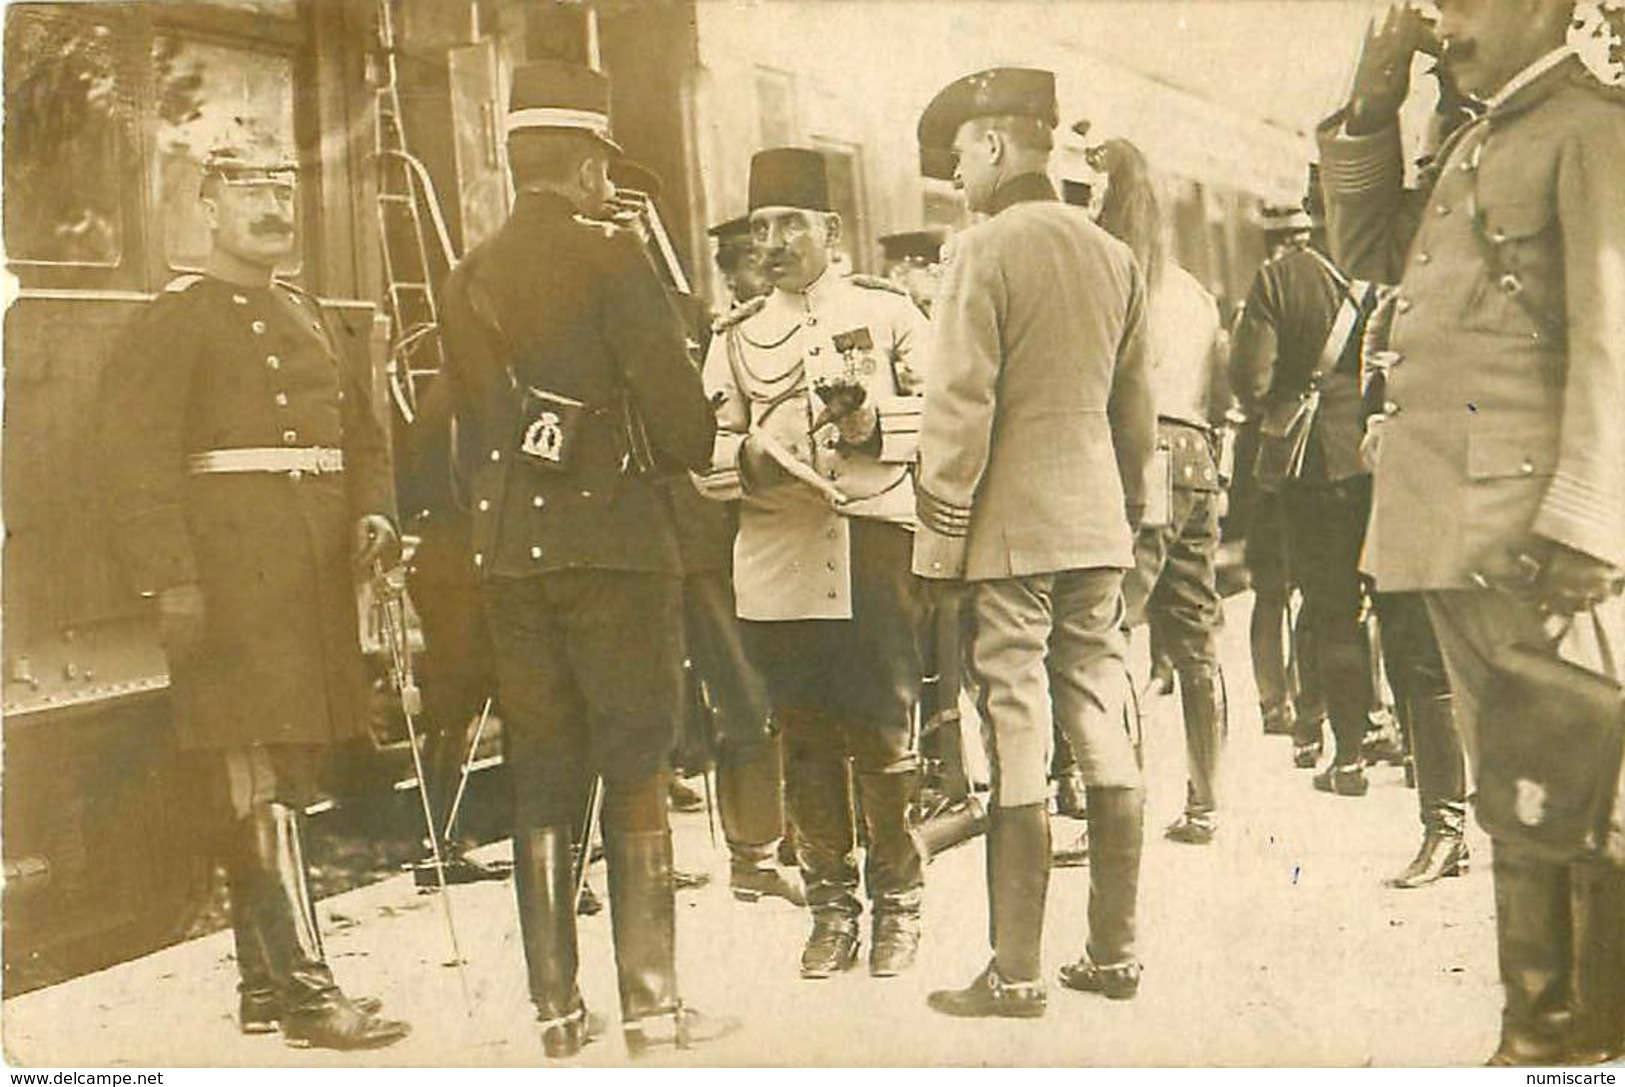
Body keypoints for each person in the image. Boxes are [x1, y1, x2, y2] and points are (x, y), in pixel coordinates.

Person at [1319, 0, 1625, 1063]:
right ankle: (1541, 1034)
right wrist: (1370, 101)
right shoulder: (1470, 135)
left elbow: (1609, 334)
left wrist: (1591, 521)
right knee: (1518, 791)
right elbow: (1363, 251)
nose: (1440, 17)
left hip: (1535, 530)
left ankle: (1575, 1039)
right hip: (1452, 519)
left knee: (1577, 788)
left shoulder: (1592, 128)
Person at [438, 59, 735, 1059]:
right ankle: (651, 1010)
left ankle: (556, 1014)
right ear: (584, 166)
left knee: (544, 772)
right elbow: (687, 433)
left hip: (512, 559)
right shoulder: (616, 260)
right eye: (604, 166)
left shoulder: (467, 273)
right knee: (636, 764)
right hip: (615, 550)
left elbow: (478, 424)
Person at [98, 134, 410, 1051]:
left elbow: (364, 433)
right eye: (248, 192)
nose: (273, 208)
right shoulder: (178, 318)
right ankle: (310, 994)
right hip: (228, 579)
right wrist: (174, 578)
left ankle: (264, 990)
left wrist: (375, 515)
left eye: (284, 191)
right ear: (206, 207)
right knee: (256, 774)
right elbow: (132, 458)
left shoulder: (308, 310)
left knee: (286, 772)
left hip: (307, 579)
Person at [911, 67, 1155, 1017]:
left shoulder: (981, 249)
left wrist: (937, 547)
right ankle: (1115, 953)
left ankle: (1015, 974)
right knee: (1099, 712)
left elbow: (959, 406)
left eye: (963, 156)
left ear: (995, 147)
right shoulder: (1113, 253)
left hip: (1009, 533)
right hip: (1095, 523)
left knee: (1017, 724)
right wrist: (1135, 515)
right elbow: (1133, 404)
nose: (959, 176)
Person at [698, 147, 930, 980]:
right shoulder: (735, 338)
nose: (772, 241)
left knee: (880, 726)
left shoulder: (891, 314)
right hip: (777, 554)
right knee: (801, 732)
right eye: (761, 226)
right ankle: (831, 911)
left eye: (790, 224)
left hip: (869, 545)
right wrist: (756, 462)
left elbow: (944, 421)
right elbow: (704, 454)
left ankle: (898, 907)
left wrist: (869, 426)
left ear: (831, 231)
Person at [1091, 137, 1233, 845]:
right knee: (1195, 633)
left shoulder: (1117, 280)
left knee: (1106, 628)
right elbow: (1221, 385)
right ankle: (1205, 802)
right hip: (1198, 456)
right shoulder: (1193, 291)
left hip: (1142, 452)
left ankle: (1117, 807)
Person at [1230, 170, 1381, 793]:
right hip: (1379, 455)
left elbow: (1253, 379)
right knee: (1389, 604)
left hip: (1313, 465)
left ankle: (1346, 757)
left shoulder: (1278, 279)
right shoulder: (1383, 274)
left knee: (1328, 605)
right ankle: (1396, 735)